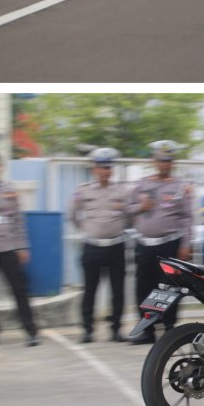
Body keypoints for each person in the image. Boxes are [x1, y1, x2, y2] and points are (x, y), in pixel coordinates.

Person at [126, 140, 193, 344]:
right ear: (154, 161)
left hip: (169, 243)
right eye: (161, 160)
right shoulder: (141, 185)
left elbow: (187, 217)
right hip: (145, 244)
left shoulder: (181, 187)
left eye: (169, 160)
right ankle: (147, 329)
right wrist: (140, 206)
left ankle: (169, 329)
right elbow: (127, 210)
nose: (165, 164)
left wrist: (186, 244)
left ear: (173, 162)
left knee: (168, 288)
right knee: (144, 287)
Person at [69, 147, 130, 343]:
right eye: (102, 167)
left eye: (108, 167)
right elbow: (72, 214)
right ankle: (87, 330)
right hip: (92, 246)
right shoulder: (83, 190)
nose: (105, 170)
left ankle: (116, 329)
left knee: (117, 290)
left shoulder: (121, 190)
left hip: (116, 245)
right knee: (89, 290)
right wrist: (88, 229)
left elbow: (130, 214)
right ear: (94, 169)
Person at [0, 158, 40, 346]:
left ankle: (31, 331)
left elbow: (19, 221)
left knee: (19, 291)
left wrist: (22, 246)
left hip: (8, 248)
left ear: (1, 167)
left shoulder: (9, 190)